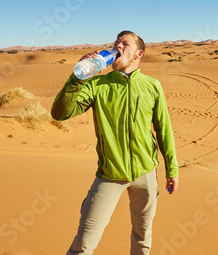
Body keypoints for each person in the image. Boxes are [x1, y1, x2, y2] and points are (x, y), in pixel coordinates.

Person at [51, 30, 179, 255]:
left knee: (142, 236)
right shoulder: (96, 84)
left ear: (138, 54)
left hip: (146, 174)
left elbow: (163, 129)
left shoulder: (152, 86)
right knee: (84, 241)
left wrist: (172, 168)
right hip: (109, 175)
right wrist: (77, 78)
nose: (117, 46)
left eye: (124, 44)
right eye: (115, 43)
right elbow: (60, 113)